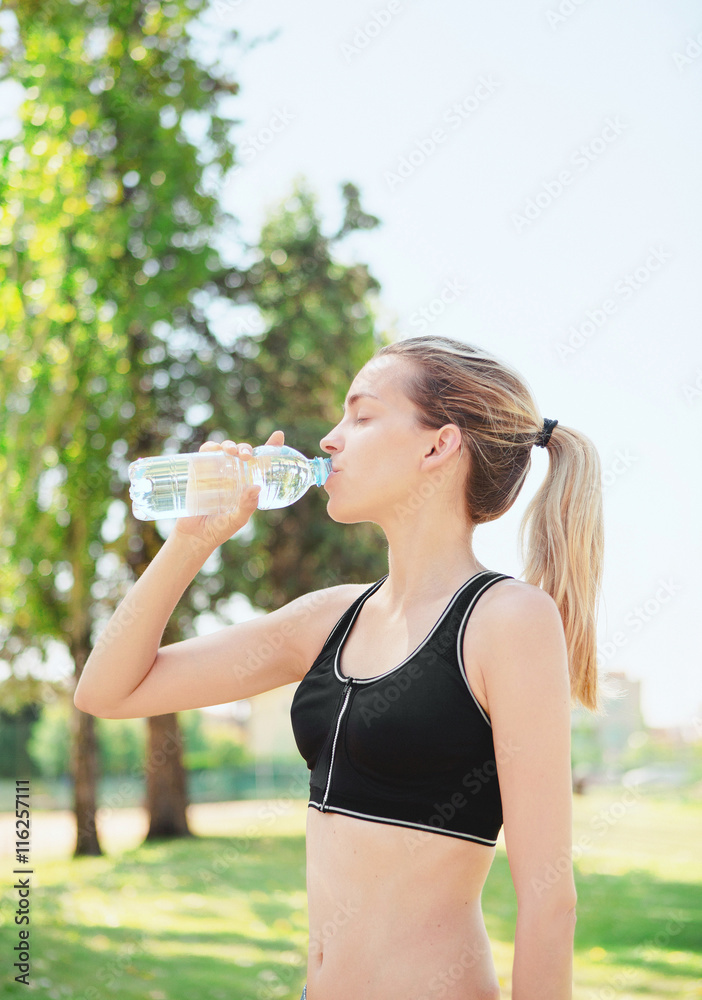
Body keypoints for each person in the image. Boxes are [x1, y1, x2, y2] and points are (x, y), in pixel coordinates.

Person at [75, 335, 604, 1000]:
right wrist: (192, 540)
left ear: (437, 446)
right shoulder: (328, 619)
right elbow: (107, 690)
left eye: (361, 415)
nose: (330, 439)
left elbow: (550, 901)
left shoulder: (508, 620)